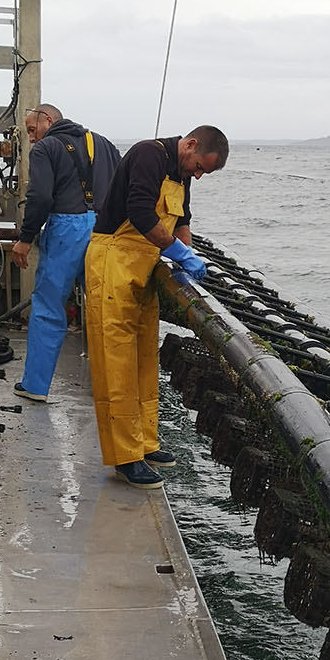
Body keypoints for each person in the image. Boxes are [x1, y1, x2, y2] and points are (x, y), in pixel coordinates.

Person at [85, 126, 228, 488]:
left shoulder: (182, 172)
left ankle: (146, 442)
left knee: (144, 358)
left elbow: (181, 222)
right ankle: (125, 458)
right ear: (191, 145)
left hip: (146, 268)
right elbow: (141, 214)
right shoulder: (149, 154)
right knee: (115, 360)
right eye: (199, 166)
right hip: (113, 261)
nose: (197, 174)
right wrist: (178, 253)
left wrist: (186, 255)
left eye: (203, 173)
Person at [11, 102, 120, 402]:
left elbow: (41, 196)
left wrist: (25, 237)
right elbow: (121, 187)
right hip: (104, 230)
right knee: (103, 309)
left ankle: (35, 386)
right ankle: (113, 389)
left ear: (48, 120)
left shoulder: (45, 149)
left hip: (66, 230)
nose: (32, 138)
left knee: (48, 306)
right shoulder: (105, 144)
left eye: (32, 130)